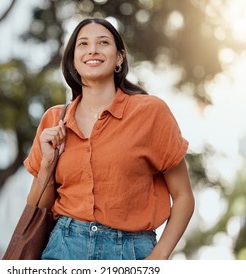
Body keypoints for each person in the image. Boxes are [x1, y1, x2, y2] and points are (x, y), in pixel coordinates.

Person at [24, 17, 195, 260]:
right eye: (83, 44)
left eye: (103, 42)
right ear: (73, 60)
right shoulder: (53, 120)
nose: (92, 49)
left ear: (119, 58)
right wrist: (47, 165)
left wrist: (159, 257)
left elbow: (183, 197)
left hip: (131, 252)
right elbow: (37, 209)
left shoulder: (150, 113)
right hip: (64, 249)